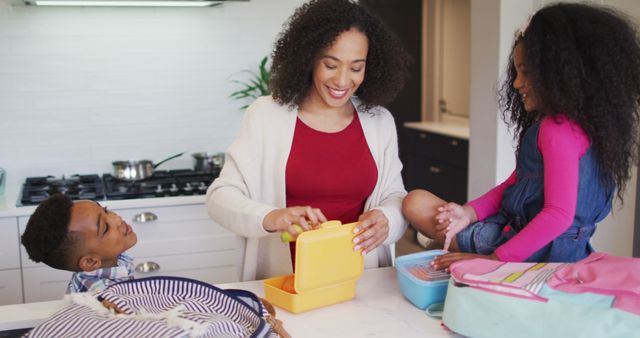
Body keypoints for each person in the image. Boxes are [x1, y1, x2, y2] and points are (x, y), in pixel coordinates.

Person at [403, 2, 640, 271]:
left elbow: (558, 216)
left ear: (560, 72)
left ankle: (442, 246)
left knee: (416, 205)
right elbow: (516, 182)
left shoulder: (556, 129)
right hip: (553, 244)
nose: (516, 83)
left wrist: (493, 261)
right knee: (429, 220)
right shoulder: (592, 129)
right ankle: (446, 243)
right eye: (516, 72)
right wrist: (468, 212)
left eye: (525, 72)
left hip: (535, 250)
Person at [207, 0, 411, 281]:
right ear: (309, 57)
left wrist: (389, 218)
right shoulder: (266, 115)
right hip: (283, 281)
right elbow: (220, 197)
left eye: (356, 67)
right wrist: (273, 217)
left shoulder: (379, 121)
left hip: (359, 281)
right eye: (331, 64)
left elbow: (396, 195)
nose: (342, 80)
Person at [21, 194, 138, 293]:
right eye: (106, 228)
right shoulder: (105, 296)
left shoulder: (113, 258)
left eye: (106, 210)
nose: (117, 219)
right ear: (90, 262)